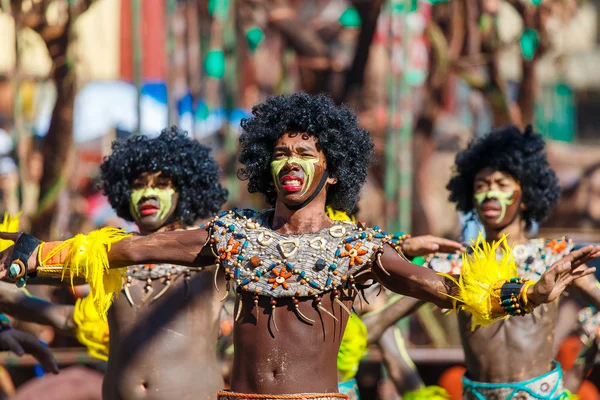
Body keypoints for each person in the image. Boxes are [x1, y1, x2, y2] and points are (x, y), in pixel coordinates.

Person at [1, 94, 598, 400]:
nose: (291, 162)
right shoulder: (232, 237)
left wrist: (529, 293)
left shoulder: (359, 247)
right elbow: (122, 252)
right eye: (282, 152)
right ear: (266, 163)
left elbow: (446, 290)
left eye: (306, 153)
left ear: (332, 170)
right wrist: (31, 258)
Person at [1, 127, 228, 400]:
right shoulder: (105, 254)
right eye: (138, 184)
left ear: (184, 190)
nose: (148, 194)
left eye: (161, 183)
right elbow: (64, 314)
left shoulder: (209, 252)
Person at [420, 126, 600, 399]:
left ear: (525, 198)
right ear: (471, 197)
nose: (490, 194)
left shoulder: (554, 259)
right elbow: (381, 320)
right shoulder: (455, 263)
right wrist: (410, 385)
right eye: (481, 186)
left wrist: (579, 369)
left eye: (502, 185)